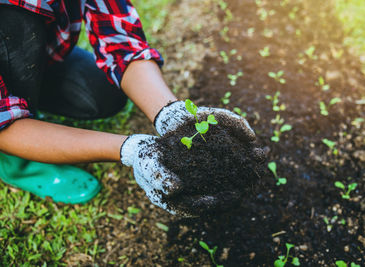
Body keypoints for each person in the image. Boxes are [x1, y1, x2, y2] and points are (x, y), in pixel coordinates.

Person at [0, 0, 255, 216]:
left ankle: (26, 96)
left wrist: (170, 112)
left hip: (42, 58)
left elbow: (121, 41)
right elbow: (3, 124)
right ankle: (17, 165)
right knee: (11, 25)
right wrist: (130, 150)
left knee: (103, 95)